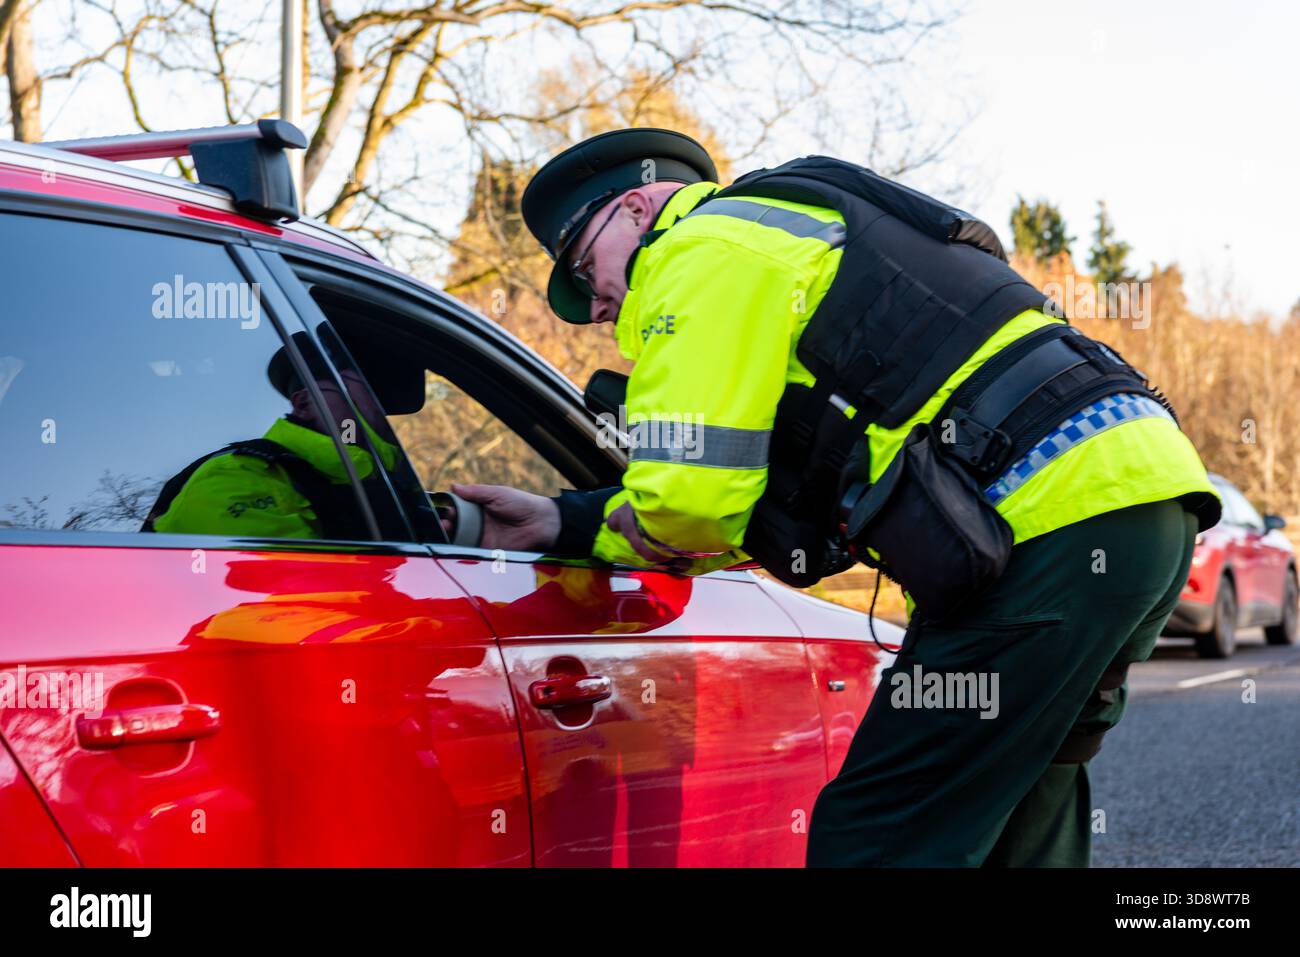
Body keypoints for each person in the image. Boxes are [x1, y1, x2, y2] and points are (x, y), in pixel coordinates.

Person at [451, 127, 1222, 866]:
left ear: (638, 208)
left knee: (876, 833)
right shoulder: (792, 227)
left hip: (1043, 523)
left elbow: (689, 504)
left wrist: (600, 529)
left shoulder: (698, 249)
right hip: (1145, 499)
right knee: (1025, 814)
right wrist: (566, 517)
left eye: (587, 271)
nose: (595, 309)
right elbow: (739, 498)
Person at [144, 344, 400, 539]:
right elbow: (303, 592)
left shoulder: (361, 480)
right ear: (304, 404)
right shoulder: (234, 478)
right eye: (357, 388)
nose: (374, 406)